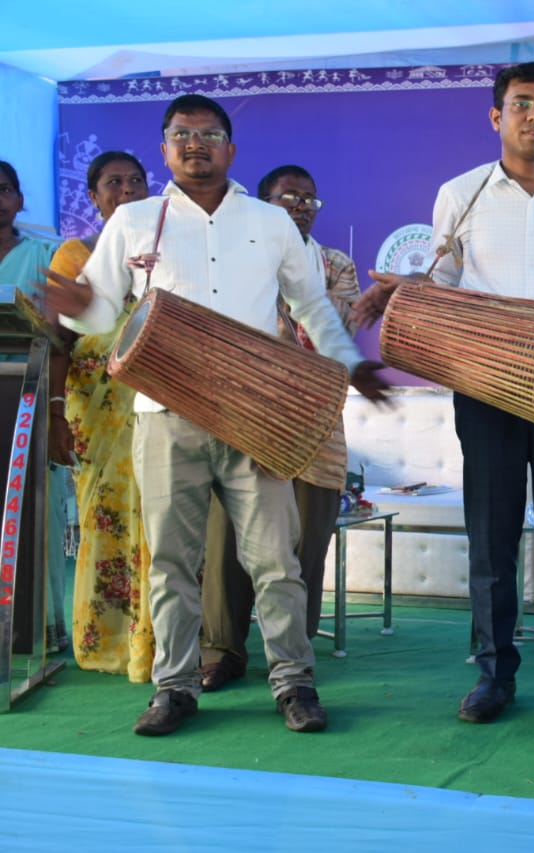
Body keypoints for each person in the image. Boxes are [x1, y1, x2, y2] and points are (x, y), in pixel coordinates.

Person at [45, 94, 389, 736]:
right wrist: (73, 306)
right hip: (163, 413)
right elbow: (96, 315)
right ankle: (173, 689)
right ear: (164, 148)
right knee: (171, 562)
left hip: (254, 416)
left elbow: (312, 307)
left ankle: (293, 682)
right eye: (181, 134)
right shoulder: (135, 221)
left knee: (275, 560)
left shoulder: (269, 221)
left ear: (231, 149)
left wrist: (349, 364)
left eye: (208, 134)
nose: (194, 144)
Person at [354, 62, 534, 737]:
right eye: (521, 104)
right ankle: (494, 673)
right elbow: (440, 285)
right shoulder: (459, 195)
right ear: (496, 117)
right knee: (491, 536)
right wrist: (400, 289)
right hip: (484, 388)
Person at [198, 164, 360, 691]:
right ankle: (222, 650)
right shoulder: (234, 260)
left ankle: (293, 659)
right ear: (262, 205)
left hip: (316, 426)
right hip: (244, 420)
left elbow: (330, 330)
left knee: (304, 547)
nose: (299, 206)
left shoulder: (336, 265)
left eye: (309, 199)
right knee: (227, 544)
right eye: (286, 197)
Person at [46, 150, 155, 682]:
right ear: (93, 196)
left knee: (162, 526)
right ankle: (105, 644)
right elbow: (58, 340)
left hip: (157, 405)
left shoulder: (164, 253)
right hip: (94, 408)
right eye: (114, 182)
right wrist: (54, 415)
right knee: (104, 523)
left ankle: (158, 647)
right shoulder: (76, 254)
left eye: (137, 180)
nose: (128, 189)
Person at [0, 159, 71, 654]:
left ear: (20, 200)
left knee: (31, 512)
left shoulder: (48, 256)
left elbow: (62, 334)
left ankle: (40, 628)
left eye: (4, 189)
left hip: (23, 399)